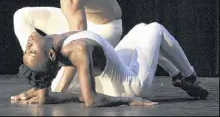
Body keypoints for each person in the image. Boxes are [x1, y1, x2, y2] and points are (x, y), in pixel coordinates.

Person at [11, 22, 209, 106]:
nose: (28, 44)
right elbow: (91, 101)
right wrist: (130, 100)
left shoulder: (55, 43)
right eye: (32, 51)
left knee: (141, 28)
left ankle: (176, 76)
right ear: (51, 54)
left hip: (116, 69)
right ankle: (189, 76)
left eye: (27, 49)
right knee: (155, 28)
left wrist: (37, 90)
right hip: (131, 85)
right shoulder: (77, 49)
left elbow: (45, 93)